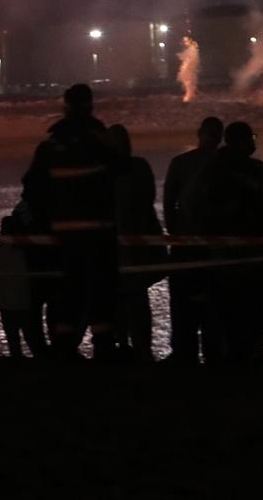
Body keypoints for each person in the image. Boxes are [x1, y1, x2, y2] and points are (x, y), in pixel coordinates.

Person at [22, 85, 121, 358]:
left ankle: (63, 352)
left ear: (65, 106)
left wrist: (46, 219)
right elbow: (121, 170)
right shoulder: (100, 139)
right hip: (99, 233)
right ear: (90, 106)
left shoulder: (52, 144)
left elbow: (32, 186)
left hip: (64, 235)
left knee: (67, 294)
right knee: (102, 294)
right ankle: (104, 350)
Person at [184, 121, 263, 365]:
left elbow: (189, 205)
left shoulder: (209, 170)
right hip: (257, 261)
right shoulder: (257, 170)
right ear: (243, 141)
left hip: (221, 260)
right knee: (256, 315)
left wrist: (207, 234)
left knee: (224, 315)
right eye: (251, 137)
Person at [161, 116, 222, 363]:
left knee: (182, 303)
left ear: (199, 133)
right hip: (214, 246)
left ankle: (183, 351)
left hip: (185, 244)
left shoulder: (180, 163)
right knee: (212, 302)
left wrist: (176, 233)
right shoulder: (223, 165)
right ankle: (213, 350)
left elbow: (167, 205)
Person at [110, 124, 161, 359]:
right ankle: (142, 347)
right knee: (137, 298)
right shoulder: (139, 167)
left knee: (119, 298)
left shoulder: (104, 172)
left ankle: (121, 346)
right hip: (137, 245)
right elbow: (148, 200)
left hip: (115, 247)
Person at [0, 206, 48, 357]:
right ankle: (40, 357)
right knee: (30, 333)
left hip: (4, 301)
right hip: (24, 299)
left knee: (12, 336)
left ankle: (16, 360)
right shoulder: (26, 252)